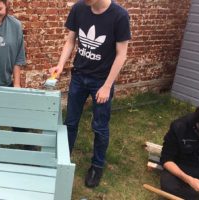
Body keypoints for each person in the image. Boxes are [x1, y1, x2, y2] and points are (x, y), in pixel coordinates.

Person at [49, 0, 131, 188]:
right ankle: (63, 159)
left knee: (100, 127)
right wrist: (61, 64)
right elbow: (71, 40)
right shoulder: (79, 8)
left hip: (101, 81)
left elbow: (121, 54)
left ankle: (97, 165)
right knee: (70, 122)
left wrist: (107, 86)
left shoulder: (119, 16)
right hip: (79, 76)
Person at [160, 101, 199, 200]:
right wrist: (189, 180)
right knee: (168, 185)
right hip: (183, 166)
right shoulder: (179, 126)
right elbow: (166, 160)